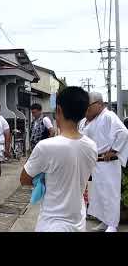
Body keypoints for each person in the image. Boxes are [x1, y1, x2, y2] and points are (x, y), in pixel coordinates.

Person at [20, 87, 97, 232]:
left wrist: (41, 179)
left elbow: (24, 179)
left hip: (52, 224)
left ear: (59, 110)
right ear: (84, 112)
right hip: (78, 222)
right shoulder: (92, 146)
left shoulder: (46, 147)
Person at [81, 92, 128, 232]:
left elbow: (123, 133)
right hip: (97, 163)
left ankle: (113, 224)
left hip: (108, 162)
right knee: (99, 194)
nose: (87, 110)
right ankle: (105, 222)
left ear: (99, 104)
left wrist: (114, 150)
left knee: (110, 194)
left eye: (88, 107)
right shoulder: (92, 119)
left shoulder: (109, 116)